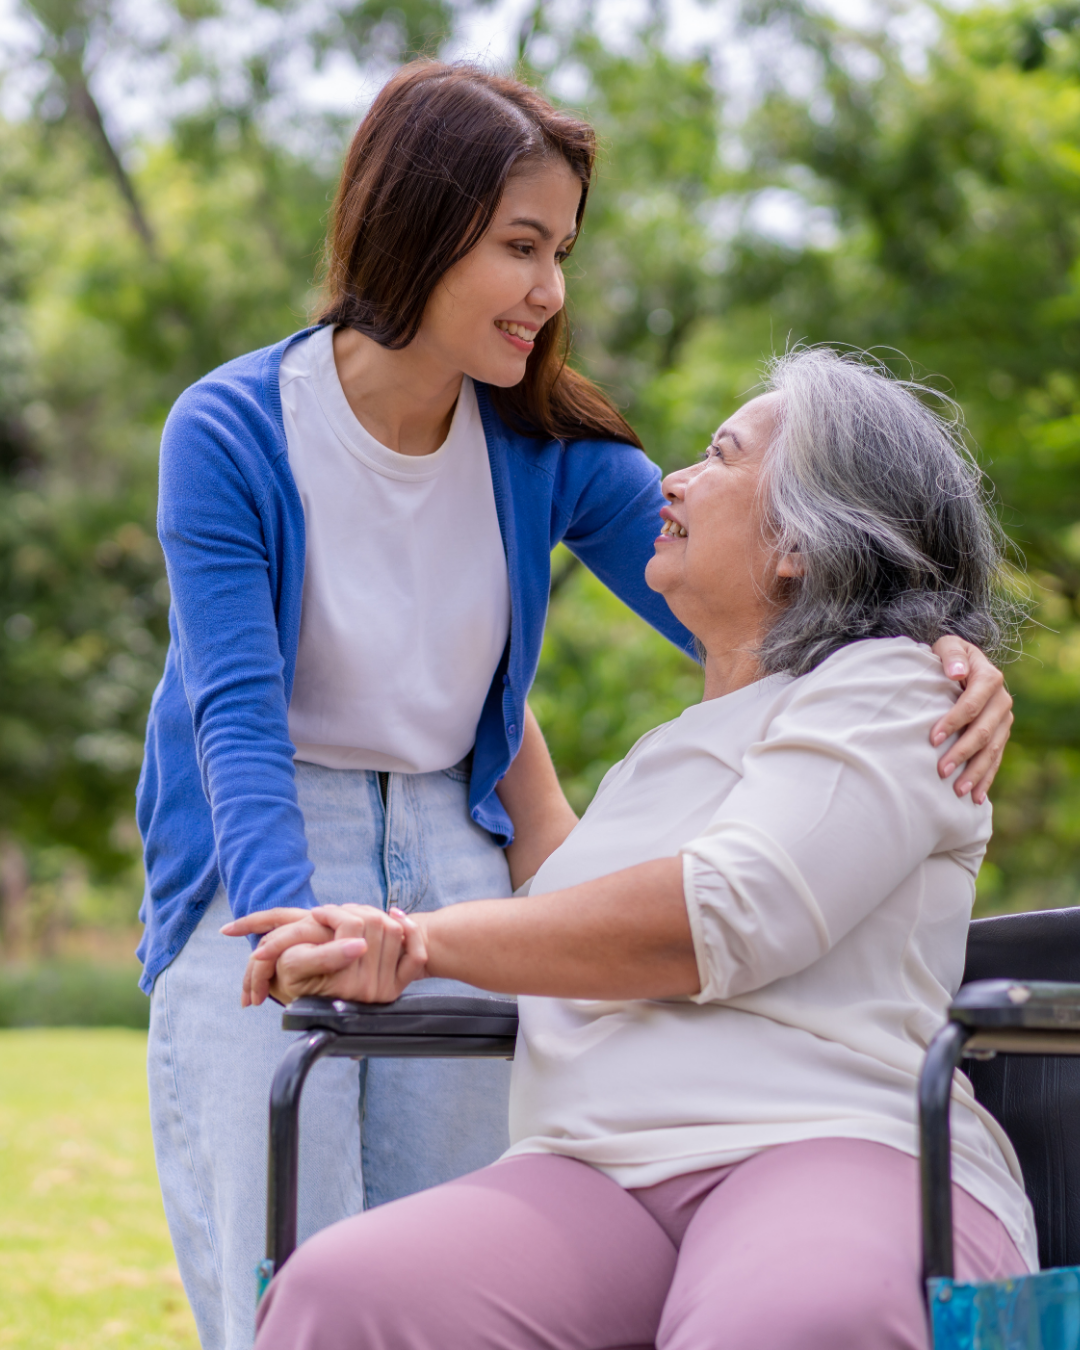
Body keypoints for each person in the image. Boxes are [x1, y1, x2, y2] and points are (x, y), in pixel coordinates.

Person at [138, 57, 1013, 1350]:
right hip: (272, 822)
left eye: (562, 249)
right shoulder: (237, 428)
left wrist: (937, 644)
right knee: (299, 1260)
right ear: (419, 232)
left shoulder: (542, 448)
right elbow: (238, 716)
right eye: (520, 246)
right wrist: (303, 926)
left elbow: (794, 615)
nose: (552, 291)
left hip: (463, 843)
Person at [231, 347, 1034, 1350]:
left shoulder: (897, 691)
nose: (675, 479)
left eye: (720, 454)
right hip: (596, 1173)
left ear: (801, 541)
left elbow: (718, 915)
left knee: (789, 1320)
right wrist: (442, 653)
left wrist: (425, 940)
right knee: (343, 1295)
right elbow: (564, 890)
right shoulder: (664, 756)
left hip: (830, 1144)